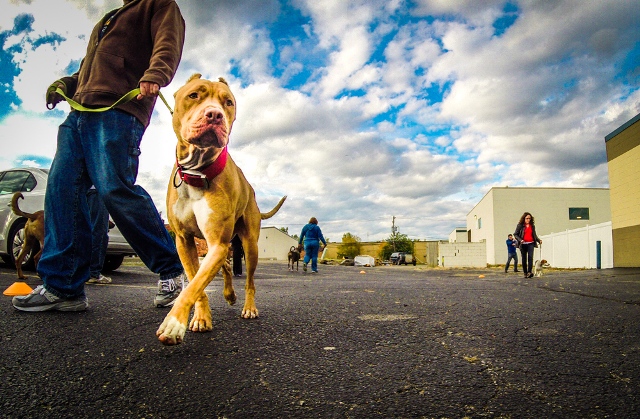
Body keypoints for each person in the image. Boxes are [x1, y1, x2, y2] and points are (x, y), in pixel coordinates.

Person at [13, 0, 186, 312]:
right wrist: (66, 84)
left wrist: (156, 71)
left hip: (118, 109)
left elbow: (167, 41)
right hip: (78, 113)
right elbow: (88, 70)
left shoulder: (157, 4)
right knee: (62, 191)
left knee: (113, 188)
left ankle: (172, 271)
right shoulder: (107, 20)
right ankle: (63, 286)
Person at [86, 186, 112, 284]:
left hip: (82, 189)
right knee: (99, 231)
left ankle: (80, 271)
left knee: (81, 230)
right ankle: (93, 273)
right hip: (97, 188)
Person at [513, 212, 542, 278]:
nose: (528, 220)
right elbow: (515, 234)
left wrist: (538, 240)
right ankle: (525, 272)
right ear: (524, 218)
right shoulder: (520, 225)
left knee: (530, 257)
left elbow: (534, 235)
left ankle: (529, 272)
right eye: (527, 218)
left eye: (529, 218)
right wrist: (520, 240)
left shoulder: (532, 226)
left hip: (531, 243)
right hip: (523, 244)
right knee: (524, 258)